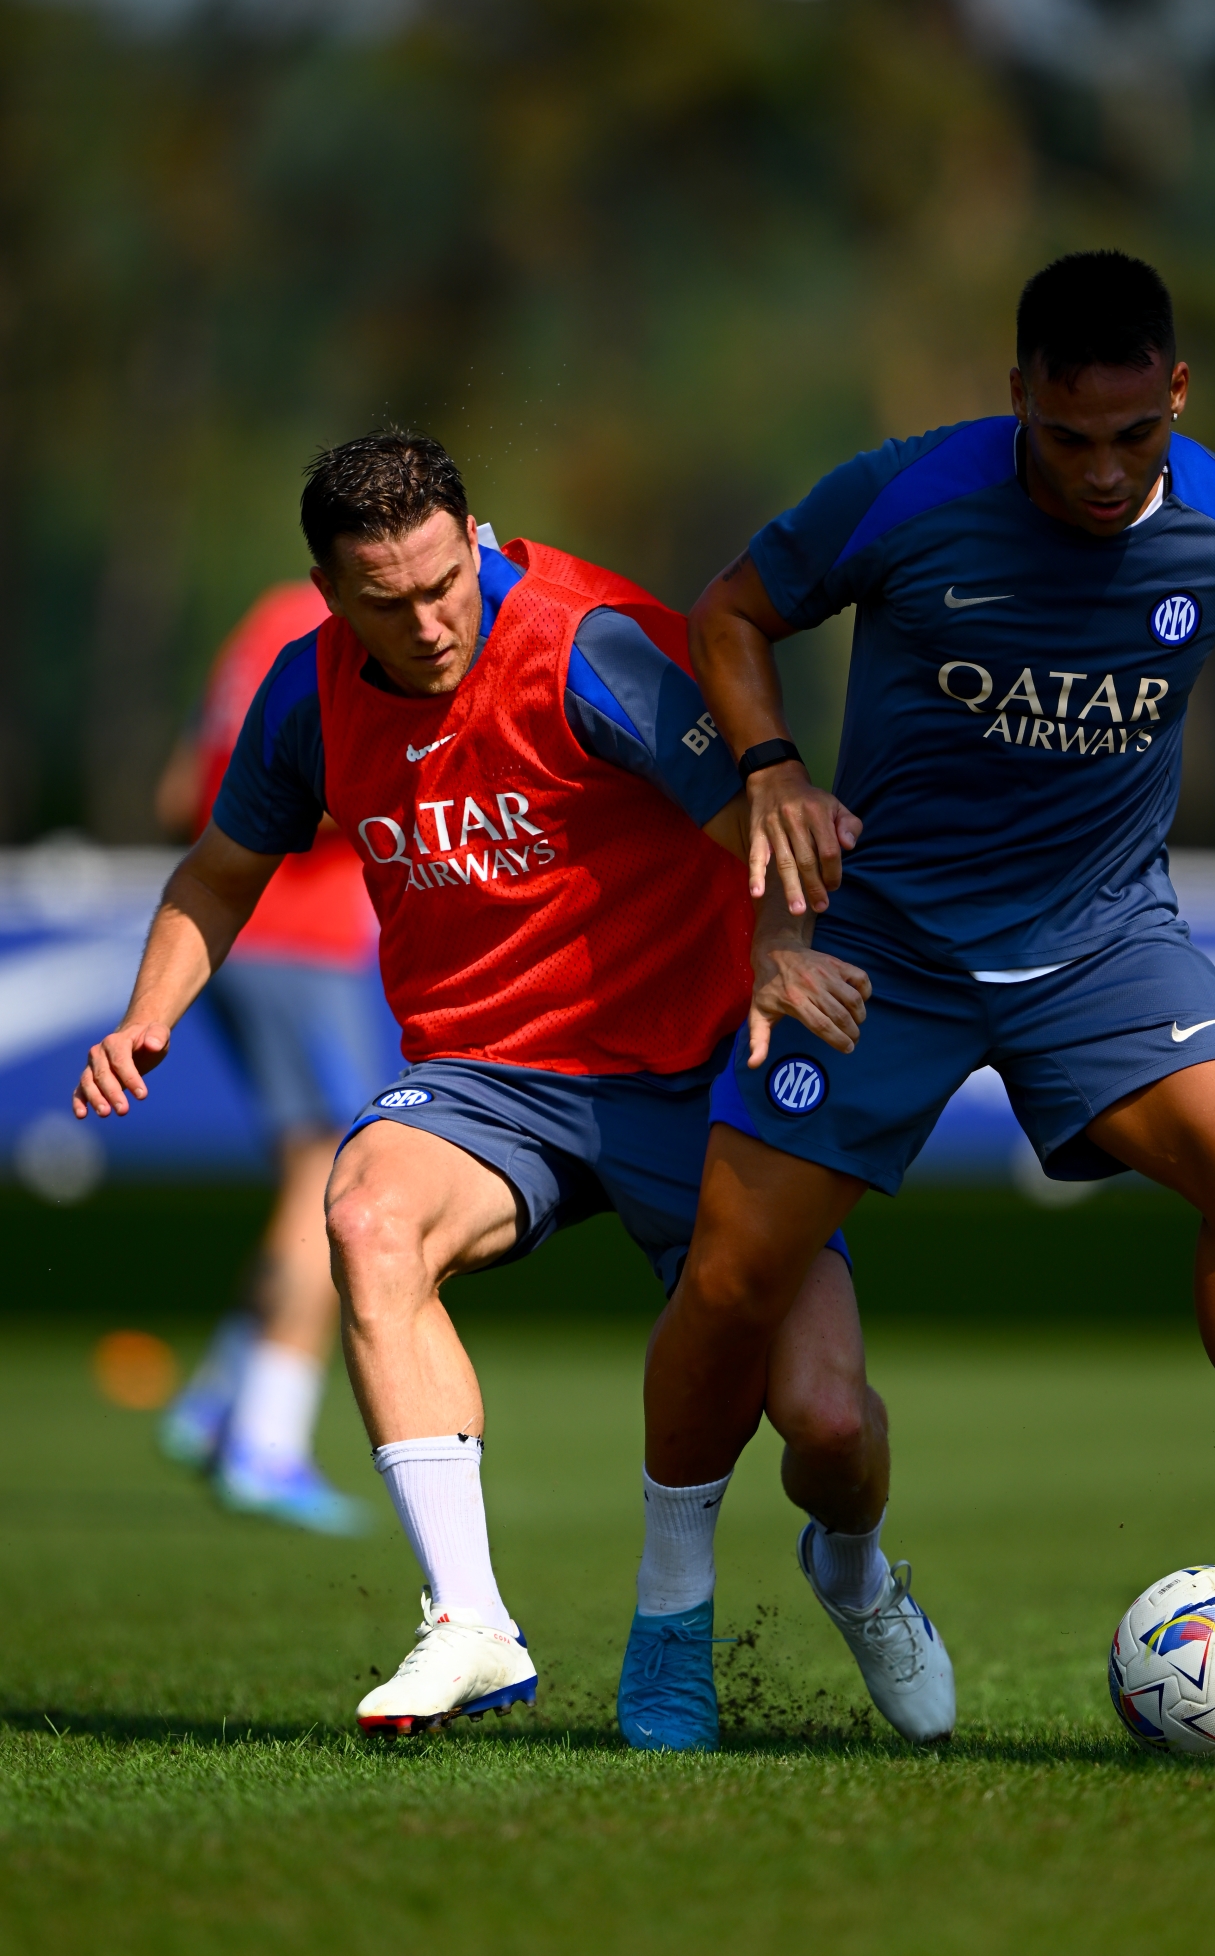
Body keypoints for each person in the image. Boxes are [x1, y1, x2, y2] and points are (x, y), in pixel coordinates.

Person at [642, 249, 1215, 1722]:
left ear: (1177, 396)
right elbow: (729, 613)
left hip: (1102, 940)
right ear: (1018, 393)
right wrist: (774, 769)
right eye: (1069, 438)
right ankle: (670, 1624)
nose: (1106, 477)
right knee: (730, 1281)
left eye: (1135, 438)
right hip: (884, 944)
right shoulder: (907, 496)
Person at [73, 431, 954, 1749]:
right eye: (388, 601)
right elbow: (217, 871)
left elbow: (765, 830)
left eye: (446, 584)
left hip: (703, 1069)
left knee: (825, 1421)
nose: (431, 624)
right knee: (366, 1215)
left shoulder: (587, 648)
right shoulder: (306, 695)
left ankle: (855, 1567)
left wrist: (780, 961)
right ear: (327, 593)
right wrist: (149, 1016)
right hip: (490, 1081)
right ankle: (472, 1623)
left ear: (473, 537)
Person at [154, 582, 387, 1537]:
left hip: (248, 938)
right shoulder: (332, 634)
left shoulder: (260, 623)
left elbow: (179, 797)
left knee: (321, 1164)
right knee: (340, 1174)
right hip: (300, 942)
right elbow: (296, 792)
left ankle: (221, 1397)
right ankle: (265, 1441)